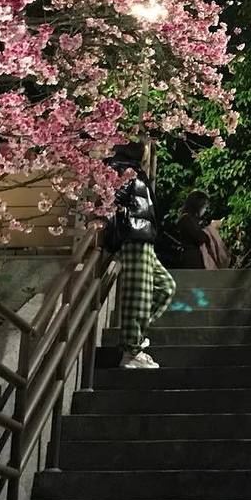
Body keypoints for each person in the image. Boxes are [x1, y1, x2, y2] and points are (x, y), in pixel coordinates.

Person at [101, 143, 176, 369]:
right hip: (133, 235)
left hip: (143, 236)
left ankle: (134, 338)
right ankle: (131, 351)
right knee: (139, 297)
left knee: (166, 287)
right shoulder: (121, 168)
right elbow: (113, 200)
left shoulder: (132, 169)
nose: (148, 150)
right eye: (144, 146)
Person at [175, 190, 230, 269]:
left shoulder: (191, 219)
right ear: (198, 205)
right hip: (192, 260)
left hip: (195, 258)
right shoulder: (186, 219)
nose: (205, 210)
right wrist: (212, 227)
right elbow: (200, 237)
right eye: (204, 207)